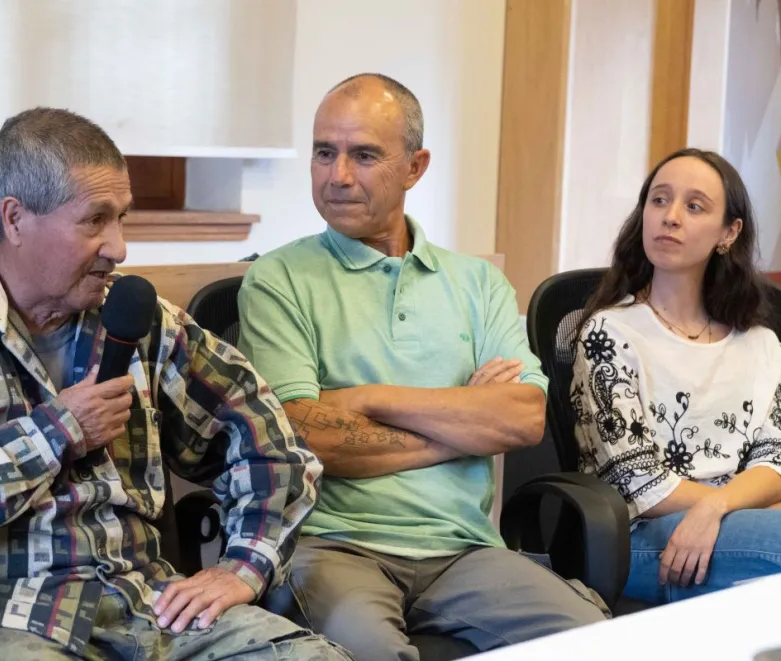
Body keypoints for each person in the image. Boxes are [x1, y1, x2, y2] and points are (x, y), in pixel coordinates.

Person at [0, 107, 350, 661]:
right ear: (14, 218)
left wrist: (243, 568)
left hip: (144, 606)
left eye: (122, 218)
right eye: (95, 220)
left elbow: (268, 442)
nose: (119, 247)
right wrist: (56, 432)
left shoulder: (135, 316)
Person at [237, 73, 606, 661]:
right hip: (334, 545)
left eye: (363, 155)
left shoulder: (477, 282)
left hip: (464, 549)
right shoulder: (278, 280)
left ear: (414, 167)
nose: (338, 176)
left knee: (601, 644)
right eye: (324, 153)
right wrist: (463, 430)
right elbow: (305, 434)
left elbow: (522, 418)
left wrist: (367, 397)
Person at [571, 147, 781, 605]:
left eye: (694, 206)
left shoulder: (760, 344)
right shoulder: (608, 334)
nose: (670, 217)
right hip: (640, 542)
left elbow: (776, 464)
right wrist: (776, 511)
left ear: (729, 232)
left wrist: (718, 506)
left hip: (724, 525)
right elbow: (642, 485)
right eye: (659, 200)